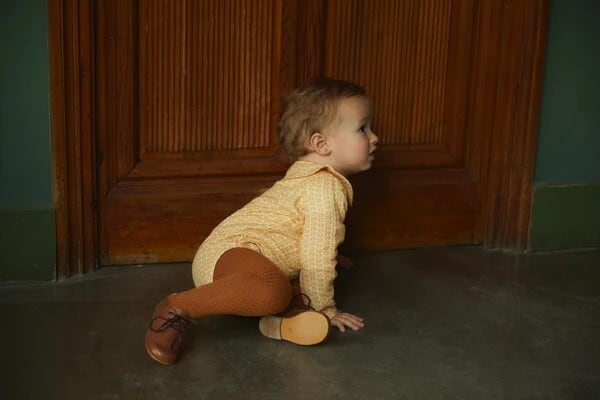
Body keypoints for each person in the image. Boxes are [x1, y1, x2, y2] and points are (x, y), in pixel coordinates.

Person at [145, 77, 378, 365]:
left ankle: (280, 323)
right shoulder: (324, 186)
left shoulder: (306, 175)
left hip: (240, 264)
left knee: (297, 285)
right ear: (321, 143)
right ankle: (177, 306)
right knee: (275, 289)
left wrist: (331, 255)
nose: (374, 138)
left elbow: (296, 232)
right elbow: (316, 254)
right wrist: (326, 310)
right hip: (229, 255)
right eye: (363, 129)